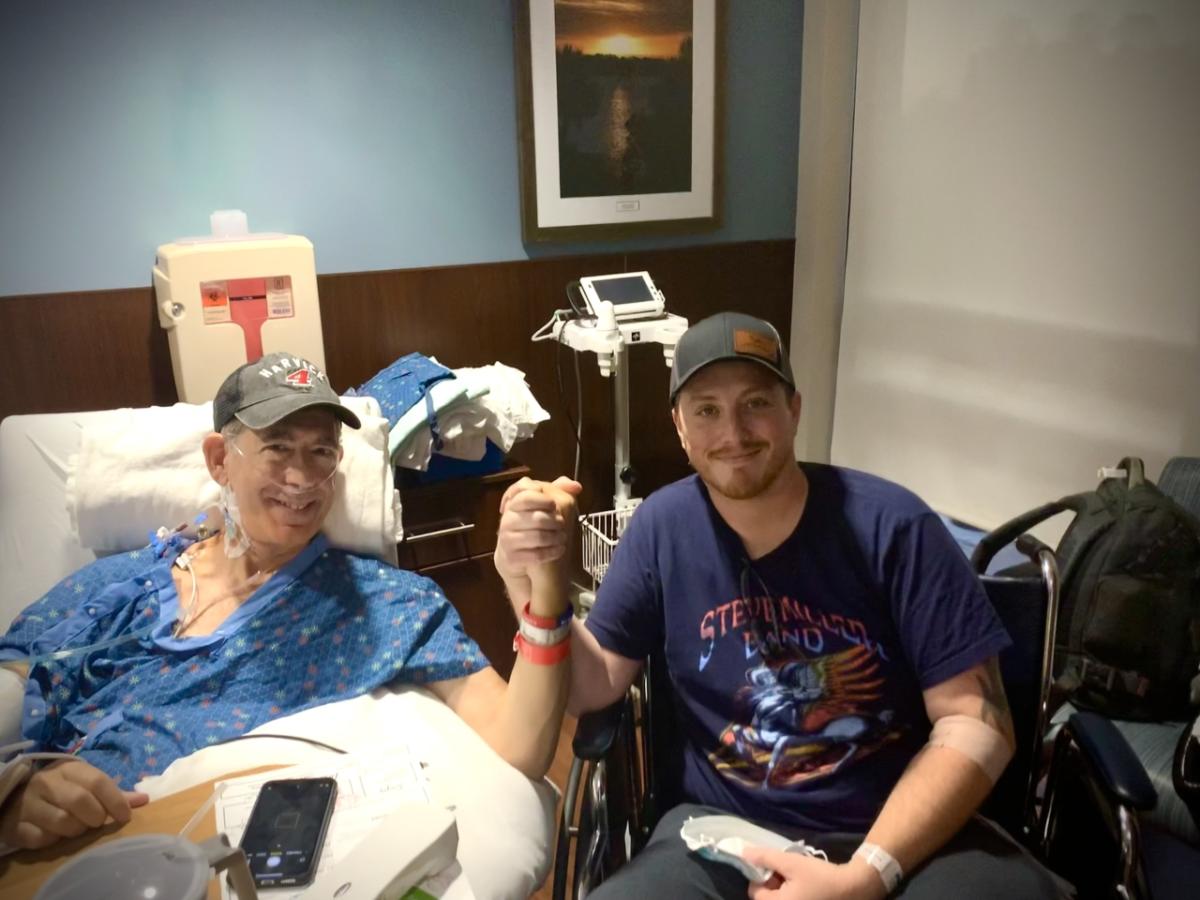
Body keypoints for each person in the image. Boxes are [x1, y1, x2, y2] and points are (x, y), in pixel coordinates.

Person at [533, 313, 1065, 898]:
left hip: (896, 830)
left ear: (794, 410)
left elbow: (976, 722)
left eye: (756, 402)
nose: (733, 432)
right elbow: (592, 686)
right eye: (706, 409)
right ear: (680, 428)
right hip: (719, 834)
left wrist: (866, 876)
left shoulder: (894, 527)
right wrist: (539, 577)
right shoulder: (662, 527)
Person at [0, 351, 579, 852]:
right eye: (277, 448)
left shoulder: (383, 606)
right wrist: (14, 794)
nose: (302, 478)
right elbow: (15, 680)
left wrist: (544, 583)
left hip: (170, 847)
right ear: (220, 460)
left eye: (322, 452)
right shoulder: (117, 583)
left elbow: (519, 742)